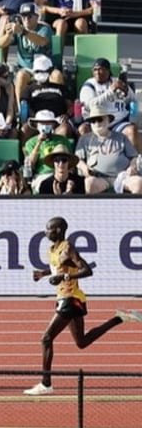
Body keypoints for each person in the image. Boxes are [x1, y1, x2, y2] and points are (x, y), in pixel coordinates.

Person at [24, 217, 140, 396]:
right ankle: (119, 318)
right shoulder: (52, 249)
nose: (45, 232)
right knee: (82, 342)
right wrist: (43, 274)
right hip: (69, 298)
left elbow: (87, 270)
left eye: (49, 229)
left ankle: (46, 383)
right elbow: (58, 268)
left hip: (70, 298)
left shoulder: (68, 247)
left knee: (46, 338)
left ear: (59, 230)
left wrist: (65, 278)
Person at [74, 101, 142, 195]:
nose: (96, 123)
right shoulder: (84, 139)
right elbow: (77, 160)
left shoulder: (121, 137)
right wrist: (85, 168)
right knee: (89, 183)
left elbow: (134, 157)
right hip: (99, 178)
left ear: (108, 120)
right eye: (93, 121)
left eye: (100, 119)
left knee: (138, 183)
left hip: (122, 177)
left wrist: (132, 167)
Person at [77, 57, 137, 150]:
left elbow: (133, 100)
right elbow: (90, 104)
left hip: (117, 122)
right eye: (95, 70)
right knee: (83, 129)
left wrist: (126, 91)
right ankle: (86, 161)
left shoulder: (117, 81)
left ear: (108, 71)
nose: (97, 72)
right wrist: (110, 92)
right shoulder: (89, 85)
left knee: (132, 130)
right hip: (96, 122)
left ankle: (136, 161)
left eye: (101, 69)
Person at [20, 55, 73, 141]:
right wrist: (38, 119)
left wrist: (67, 115)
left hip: (57, 122)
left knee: (65, 129)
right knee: (24, 130)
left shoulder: (61, 88)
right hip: (36, 122)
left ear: (49, 71)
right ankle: (26, 153)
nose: (40, 74)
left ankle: (59, 153)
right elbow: (25, 106)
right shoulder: (28, 89)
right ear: (33, 72)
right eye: (37, 71)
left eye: (44, 71)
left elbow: (70, 106)